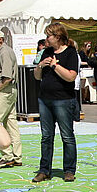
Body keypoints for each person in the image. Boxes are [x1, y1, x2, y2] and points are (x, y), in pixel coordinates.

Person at [33, 22, 79, 183]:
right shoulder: (46, 52)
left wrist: (54, 66)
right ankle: (44, 170)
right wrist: (40, 66)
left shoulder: (71, 53)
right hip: (45, 99)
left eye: (48, 36)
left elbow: (71, 76)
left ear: (58, 37)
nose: (46, 39)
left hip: (63, 100)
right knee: (46, 136)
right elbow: (37, 77)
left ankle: (69, 170)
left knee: (67, 136)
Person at [0, 30, 22, 169]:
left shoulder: (4, 52)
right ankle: (16, 156)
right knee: (11, 123)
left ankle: (7, 156)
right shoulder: (7, 51)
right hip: (11, 91)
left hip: (4, 90)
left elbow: (7, 77)